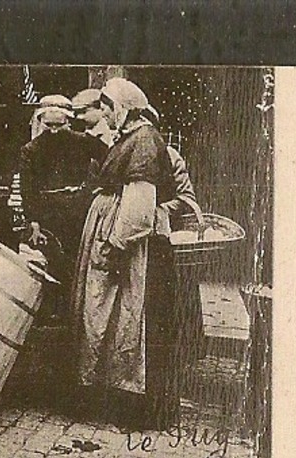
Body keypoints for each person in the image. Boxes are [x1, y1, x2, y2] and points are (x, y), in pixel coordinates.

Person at [72, 77, 189, 431]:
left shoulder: (144, 140)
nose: (104, 113)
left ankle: (135, 408)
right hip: (115, 232)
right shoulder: (130, 137)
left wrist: (115, 245)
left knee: (130, 322)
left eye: (108, 107)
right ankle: (112, 400)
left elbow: (139, 203)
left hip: (132, 248)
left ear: (123, 107)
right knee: (107, 321)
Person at [19, 93, 106, 288]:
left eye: (59, 125)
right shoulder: (31, 150)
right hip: (48, 216)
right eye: (49, 125)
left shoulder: (84, 141)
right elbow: (28, 189)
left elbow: (111, 161)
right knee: (54, 268)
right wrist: (34, 222)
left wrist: (97, 189)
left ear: (68, 120)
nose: (54, 131)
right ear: (40, 121)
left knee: (81, 266)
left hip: (80, 212)